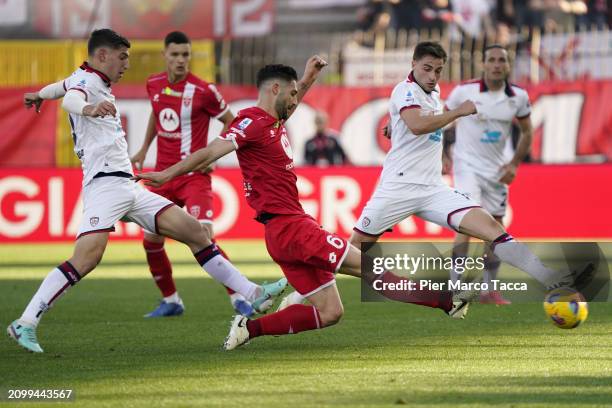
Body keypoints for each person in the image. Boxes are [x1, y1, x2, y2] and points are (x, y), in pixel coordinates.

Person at [135, 57, 480, 351]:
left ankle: (248, 329)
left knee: (330, 312)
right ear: (275, 90)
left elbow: (288, 105)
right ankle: (446, 301)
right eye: (292, 91)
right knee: (371, 270)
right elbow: (211, 151)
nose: (296, 97)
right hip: (292, 228)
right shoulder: (250, 122)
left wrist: (310, 76)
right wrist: (168, 174)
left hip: (282, 233)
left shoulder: (271, 121)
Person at [8, 28, 286, 354]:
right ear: (102, 56)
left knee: (195, 232)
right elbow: (71, 98)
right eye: (122, 57)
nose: (126, 64)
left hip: (127, 183)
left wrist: (39, 95)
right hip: (104, 186)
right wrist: (87, 110)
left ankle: (252, 293)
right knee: (86, 258)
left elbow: (60, 88)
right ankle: (25, 322)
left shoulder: (81, 77)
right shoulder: (86, 85)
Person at [347, 41, 588, 305]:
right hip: (397, 188)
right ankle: (303, 294)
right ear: (413, 64)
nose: (432, 76)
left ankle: (550, 277)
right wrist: (458, 112)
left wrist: (397, 123)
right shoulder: (404, 89)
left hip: (432, 189)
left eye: (438, 70)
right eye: (426, 68)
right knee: (353, 248)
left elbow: (415, 121)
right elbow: (416, 125)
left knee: (491, 227)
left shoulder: (433, 91)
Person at [130, 31, 253, 318]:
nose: (181, 60)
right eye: (175, 55)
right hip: (163, 176)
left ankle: (239, 298)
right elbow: (156, 114)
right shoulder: (154, 83)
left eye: (186, 54)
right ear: (165, 56)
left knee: (205, 237)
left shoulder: (203, 91)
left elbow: (232, 122)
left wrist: (212, 155)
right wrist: (143, 148)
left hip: (194, 177)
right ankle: (171, 300)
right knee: (151, 241)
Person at [444, 44, 533, 305]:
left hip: (496, 169)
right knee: (467, 221)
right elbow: (442, 119)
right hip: (466, 166)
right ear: (483, 64)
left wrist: (514, 164)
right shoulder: (465, 91)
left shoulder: (518, 96)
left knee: (495, 226)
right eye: (491, 59)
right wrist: (441, 155)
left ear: (508, 65)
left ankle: (489, 289)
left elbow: (527, 132)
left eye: (501, 60)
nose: (496, 64)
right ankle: (455, 286)